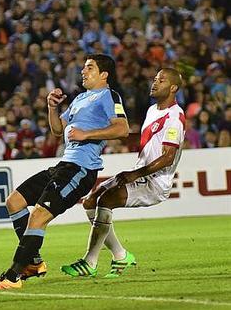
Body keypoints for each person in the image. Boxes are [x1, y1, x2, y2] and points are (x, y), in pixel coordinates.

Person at [0, 54, 129, 290]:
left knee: (38, 216)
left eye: (90, 68)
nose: (83, 71)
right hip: (63, 166)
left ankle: (13, 276)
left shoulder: (109, 96)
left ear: (104, 74)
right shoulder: (81, 98)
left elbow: (123, 129)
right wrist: (52, 107)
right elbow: (57, 130)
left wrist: (86, 135)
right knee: (14, 201)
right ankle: (33, 262)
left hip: (81, 169)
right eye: (83, 68)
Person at [61, 68, 185, 278]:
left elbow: (167, 157)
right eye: (154, 79)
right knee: (91, 201)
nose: (154, 83)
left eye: (161, 80)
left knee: (106, 200)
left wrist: (135, 174)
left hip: (155, 182)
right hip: (139, 173)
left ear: (173, 88)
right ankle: (121, 255)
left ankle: (89, 262)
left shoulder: (175, 116)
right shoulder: (153, 110)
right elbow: (148, 140)